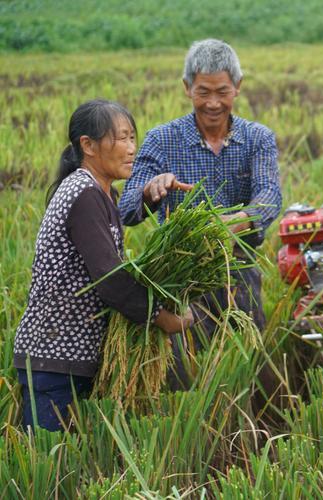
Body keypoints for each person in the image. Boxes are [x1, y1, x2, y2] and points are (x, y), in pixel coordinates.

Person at [13, 100, 193, 432]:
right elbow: (112, 279)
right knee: (54, 467)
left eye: (132, 138)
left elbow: (120, 219)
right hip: (55, 360)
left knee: (77, 463)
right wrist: (163, 319)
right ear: (88, 145)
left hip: (70, 359)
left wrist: (151, 196)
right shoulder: (83, 193)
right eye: (121, 138)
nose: (131, 149)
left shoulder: (101, 194)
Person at [119, 39, 282, 336]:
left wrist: (238, 222)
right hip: (181, 277)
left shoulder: (258, 138)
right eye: (203, 92)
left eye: (222, 92)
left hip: (239, 273)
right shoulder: (162, 140)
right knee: (186, 371)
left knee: (247, 365)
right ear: (187, 87)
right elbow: (126, 209)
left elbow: (269, 194)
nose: (213, 103)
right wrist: (149, 190)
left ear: (238, 86)